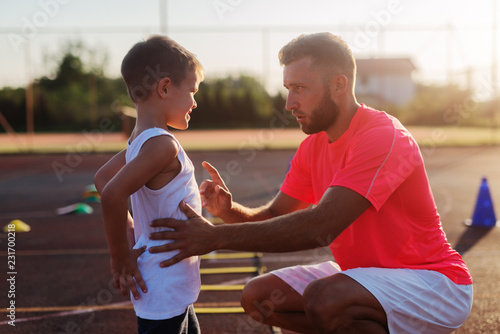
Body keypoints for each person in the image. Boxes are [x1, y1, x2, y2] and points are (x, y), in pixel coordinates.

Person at [148, 33, 473, 333]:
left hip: (434, 282)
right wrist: (229, 211)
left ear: (339, 85)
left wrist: (215, 238)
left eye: (300, 88)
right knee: (259, 296)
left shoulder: (381, 136)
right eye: (288, 88)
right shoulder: (313, 148)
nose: (289, 104)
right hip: (363, 276)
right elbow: (275, 217)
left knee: (326, 299)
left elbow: (322, 226)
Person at [94, 35, 203, 334]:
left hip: (169, 281)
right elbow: (112, 193)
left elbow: (102, 179)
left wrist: (132, 230)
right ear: (165, 87)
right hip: (164, 282)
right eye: (192, 91)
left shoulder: (138, 143)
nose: (195, 101)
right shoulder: (161, 146)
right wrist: (120, 257)